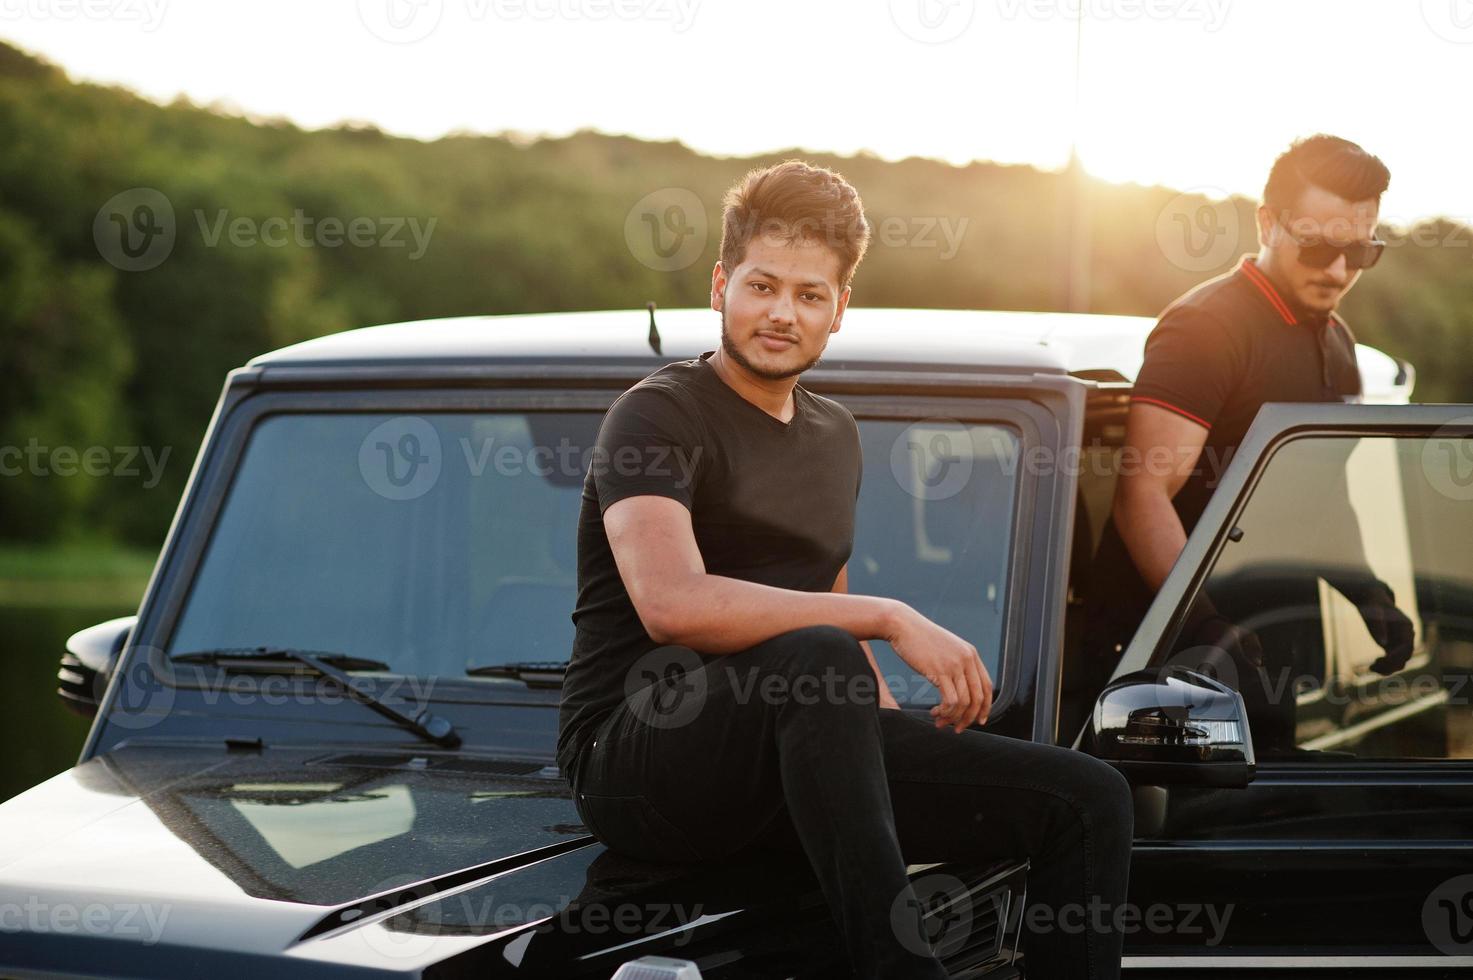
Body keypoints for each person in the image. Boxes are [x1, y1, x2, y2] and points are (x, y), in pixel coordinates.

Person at [557, 159, 1133, 979]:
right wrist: (887, 615)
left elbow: (818, 592)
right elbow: (673, 606)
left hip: (787, 749)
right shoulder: (657, 413)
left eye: (808, 295)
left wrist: (887, 730)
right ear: (720, 285)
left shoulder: (834, 435)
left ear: (839, 311)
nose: (780, 314)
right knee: (818, 653)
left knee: (1087, 800)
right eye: (761, 286)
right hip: (640, 759)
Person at [1074, 135, 1414, 747]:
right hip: (1163, 657)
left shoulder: (1337, 341)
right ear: (1267, 223)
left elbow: (1324, 493)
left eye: (1360, 250)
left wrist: (1370, 595)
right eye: (1318, 246)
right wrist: (1205, 625)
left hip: (1267, 641)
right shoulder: (1208, 328)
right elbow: (1142, 494)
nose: (1338, 271)